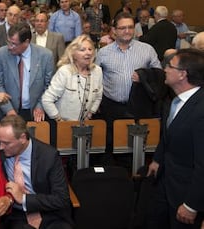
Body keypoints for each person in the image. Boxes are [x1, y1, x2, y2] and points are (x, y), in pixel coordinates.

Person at [147, 48, 204, 228]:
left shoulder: (200, 111)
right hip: (166, 184)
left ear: (182, 74)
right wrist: (157, 159)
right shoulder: (175, 101)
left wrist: (191, 205)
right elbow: (168, 137)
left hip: (185, 195)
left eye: (169, 66)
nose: (164, 69)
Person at [95, 12, 161, 162]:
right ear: (114, 30)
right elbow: (96, 79)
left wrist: (145, 75)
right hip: (112, 108)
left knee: (137, 147)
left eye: (130, 27)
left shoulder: (147, 49)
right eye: (122, 28)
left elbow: (160, 75)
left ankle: (136, 178)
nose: (127, 31)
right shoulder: (103, 53)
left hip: (140, 107)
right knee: (112, 147)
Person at [0, 22, 54, 122]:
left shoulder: (45, 56)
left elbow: (49, 86)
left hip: (35, 112)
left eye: (14, 44)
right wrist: (9, 110)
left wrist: (40, 106)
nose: (9, 47)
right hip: (8, 111)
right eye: (8, 42)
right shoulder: (1, 54)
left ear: (26, 42)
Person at [42, 34, 103, 122]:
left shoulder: (97, 71)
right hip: (63, 125)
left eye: (90, 49)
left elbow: (98, 96)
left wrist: (89, 115)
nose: (88, 53)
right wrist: (59, 120)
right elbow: (47, 99)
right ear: (73, 54)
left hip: (84, 125)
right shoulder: (65, 71)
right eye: (83, 50)